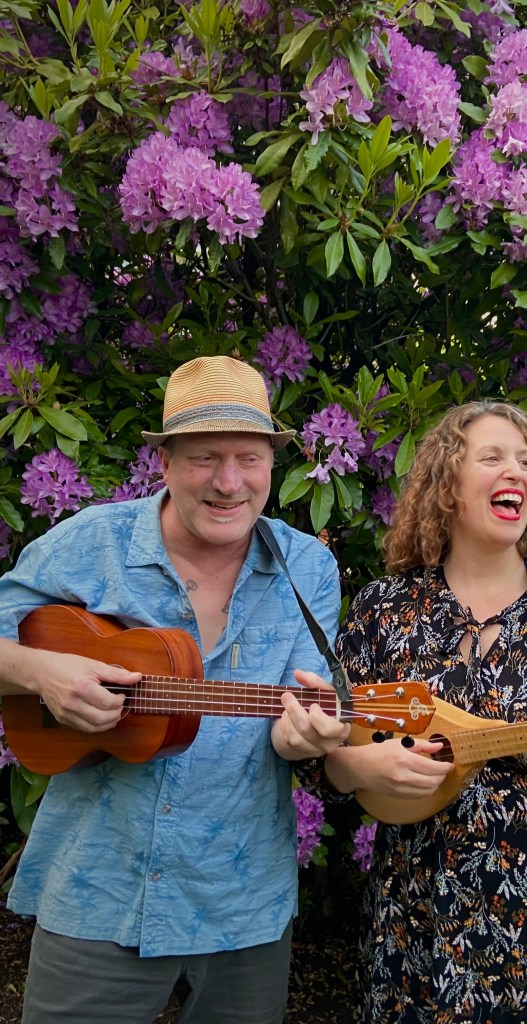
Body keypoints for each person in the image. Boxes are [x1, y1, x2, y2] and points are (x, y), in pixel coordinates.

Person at [0, 355, 350, 1024]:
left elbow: (296, 714)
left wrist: (308, 734)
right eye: (204, 458)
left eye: (248, 459)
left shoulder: (308, 567)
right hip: (99, 886)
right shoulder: (88, 545)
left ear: (271, 466)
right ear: (164, 462)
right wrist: (42, 673)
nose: (228, 482)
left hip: (241, 899)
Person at [296, 400, 527, 1024]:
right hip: (423, 941)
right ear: (448, 486)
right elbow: (318, 768)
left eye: (525, 461)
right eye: (491, 457)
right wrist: (355, 770)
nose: (514, 470)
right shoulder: (384, 612)